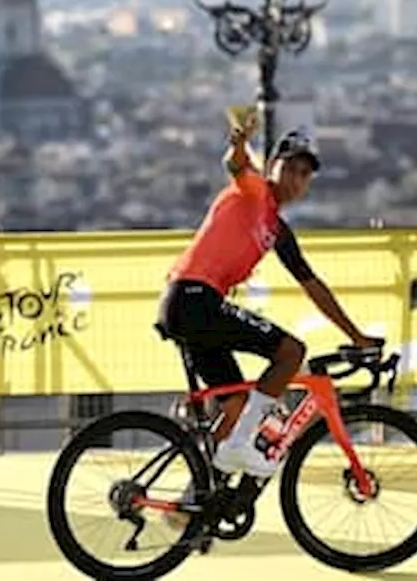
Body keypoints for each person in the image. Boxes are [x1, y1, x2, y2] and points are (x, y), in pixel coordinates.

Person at [157, 111, 380, 483]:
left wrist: (356, 336)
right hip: (193, 299)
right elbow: (235, 164)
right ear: (273, 166)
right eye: (290, 169)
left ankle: (194, 499)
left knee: (235, 407)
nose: (296, 180)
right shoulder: (255, 191)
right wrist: (240, 141)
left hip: (193, 307)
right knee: (291, 352)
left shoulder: (276, 228)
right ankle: (240, 446)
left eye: (305, 175)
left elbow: (312, 285)